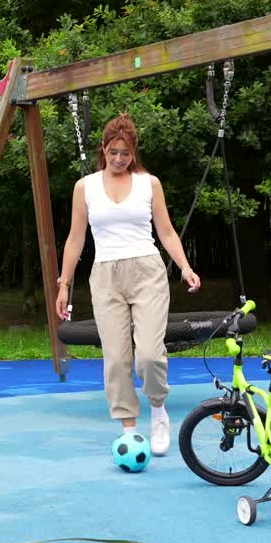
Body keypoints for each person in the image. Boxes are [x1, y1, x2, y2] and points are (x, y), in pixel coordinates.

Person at [55, 114, 202, 456]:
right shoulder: (85, 187)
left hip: (147, 272)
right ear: (103, 149)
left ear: (133, 153)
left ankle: (158, 408)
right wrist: (64, 284)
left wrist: (184, 267)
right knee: (117, 360)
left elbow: (165, 231)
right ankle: (130, 429)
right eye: (113, 151)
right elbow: (75, 239)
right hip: (105, 277)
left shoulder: (149, 184)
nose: (119, 159)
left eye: (126, 153)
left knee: (149, 356)